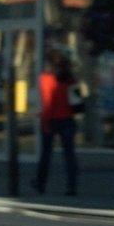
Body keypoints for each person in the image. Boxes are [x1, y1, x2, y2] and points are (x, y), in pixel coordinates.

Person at [33, 49, 78, 196]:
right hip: (67, 118)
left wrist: (44, 122)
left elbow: (47, 103)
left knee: (46, 154)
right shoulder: (69, 78)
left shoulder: (46, 79)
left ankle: (41, 183)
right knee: (69, 154)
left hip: (51, 120)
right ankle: (72, 186)